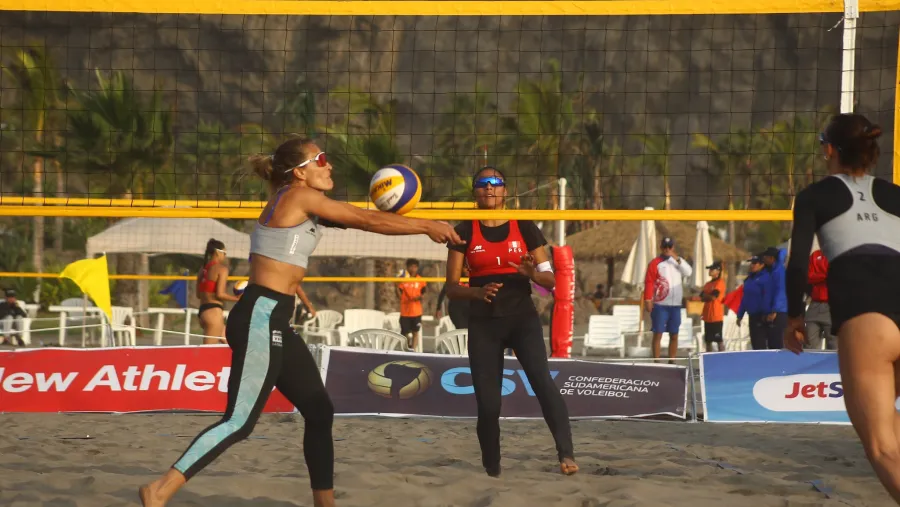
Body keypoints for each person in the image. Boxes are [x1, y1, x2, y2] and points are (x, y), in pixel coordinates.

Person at [138, 138, 461, 507]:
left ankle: (325, 504)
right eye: (320, 160)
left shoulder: (300, 203)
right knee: (239, 422)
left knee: (319, 410)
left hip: (274, 317)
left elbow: (362, 222)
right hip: (260, 315)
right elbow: (367, 218)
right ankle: (159, 490)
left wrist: (421, 224)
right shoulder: (297, 196)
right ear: (299, 172)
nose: (329, 166)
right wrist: (426, 225)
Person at [783, 114, 900, 504]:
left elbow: (798, 263)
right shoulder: (897, 194)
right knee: (892, 432)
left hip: (867, 310)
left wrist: (795, 317)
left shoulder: (815, 196)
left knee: (882, 446)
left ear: (829, 149)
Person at [443, 166, 577, 478]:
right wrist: (476, 292)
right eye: (482, 184)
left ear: (505, 191)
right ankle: (492, 465)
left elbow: (550, 280)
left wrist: (532, 274)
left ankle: (566, 454)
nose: (489, 188)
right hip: (484, 323)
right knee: (488, 404)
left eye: (495, 183)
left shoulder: (524, 226)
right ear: (475, 192)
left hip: (521, 319)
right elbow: (450, 287)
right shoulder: (463, 231)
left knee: (543, 385)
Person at [643, 237, 693, 360]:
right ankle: (657, 361)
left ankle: (672, 361)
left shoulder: (678, 262)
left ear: (673, 247)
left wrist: (676, 258)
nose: (667, 249)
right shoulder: (655, 263)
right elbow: (649, 282)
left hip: (675, 305)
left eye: (669, 247)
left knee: (674, 334)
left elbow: (688, 272)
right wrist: (648, 300)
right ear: (661, 248)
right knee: (658, 333)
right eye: (665, 247)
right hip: (660, 304)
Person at [196, 239, 239, 344]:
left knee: (231, 345)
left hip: (203, 312)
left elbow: (198, 295)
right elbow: (220, 294)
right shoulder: (221, 269)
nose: (225, 256)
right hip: (214, 314)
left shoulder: (202, 270)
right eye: (224, 253)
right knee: (207, 354)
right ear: (217, 252)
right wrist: (238, 299)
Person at [737, 256, 771, 350]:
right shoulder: (749, 279)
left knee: (761, 344)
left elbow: (768, 296)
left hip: (763, 315)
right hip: (752, 315)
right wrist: (740, 315)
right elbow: (745, 298)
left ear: (762, 265)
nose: (752, 265)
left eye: (754, 263)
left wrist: (767, 312)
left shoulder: (766, 277)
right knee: (755, 343)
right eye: (751, 263)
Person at [805, 249, 836, 350]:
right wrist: (825, 275)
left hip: (832, 304)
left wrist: (820, 275)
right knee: (809, 342)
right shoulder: (815, 255)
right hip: (815, 303)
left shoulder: (838, 253)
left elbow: (837, 274)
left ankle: (833, 366)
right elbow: (809, 276)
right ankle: (811, 365)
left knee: (834, 344)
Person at [760, 246, 788, 349]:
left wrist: (774, 311)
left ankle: (781, 364)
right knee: (772, 343)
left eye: (766, 257)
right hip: (772, 311)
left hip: (778, 312)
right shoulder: (772, 271)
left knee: (777, 344)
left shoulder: (778, 271)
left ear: (772, 258)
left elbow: (780, 291)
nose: (764, 259)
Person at [397, 258, 426, 350]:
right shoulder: (403, 279)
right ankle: (405, 350)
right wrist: (396, 285)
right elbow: (399, 294)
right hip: (405, 311)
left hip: (416, 312)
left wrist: (419, 297)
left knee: (415, 332)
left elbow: (424, 293)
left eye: (415, 267)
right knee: (404, 333)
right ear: (407, 267)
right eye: (411, 266)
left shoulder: (420, 280)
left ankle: (413, 350)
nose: (413, 269)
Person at [435, 261, 470, 329]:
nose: (468, 270)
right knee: (461, 329)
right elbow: (443, 293)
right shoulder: (454, 279)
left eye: (469, 267)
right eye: (466, 267)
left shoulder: (473, 279)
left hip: (470, 308)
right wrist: (438, 308)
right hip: (456, 309)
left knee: (470, 331)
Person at [700, 261, 726, 352]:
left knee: (718, 339)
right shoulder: (707, 284)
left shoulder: (720, 283)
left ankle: (722, 357)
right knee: (708, 340)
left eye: (712, 269)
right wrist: (708, 297)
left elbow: (713, 297)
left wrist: (707, 296)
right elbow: (702, 297)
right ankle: (709, 357)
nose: (710, 271)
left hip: (716, 316)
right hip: (707, 316)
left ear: (718, 271)